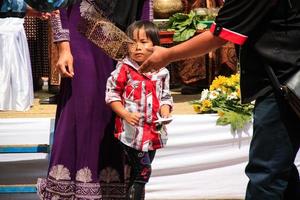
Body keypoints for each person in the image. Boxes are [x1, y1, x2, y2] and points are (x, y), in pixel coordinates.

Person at [139, 0, 300, 200]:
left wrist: (167, 55)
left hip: (283, 86)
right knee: (282, 169)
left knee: (267, 174)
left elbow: (219, 36)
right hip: (287, 80)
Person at [37, 1, 154, 199]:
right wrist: (63, 49)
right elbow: (57, 4)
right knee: (85, 105)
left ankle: (116, 190)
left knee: (115, 112)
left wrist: (144, 45)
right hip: (81, 32)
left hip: (124, 42)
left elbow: (145, 6)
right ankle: (75, 189)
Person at [105, 20, 173, 200]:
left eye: (143, 42)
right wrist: (125, 114)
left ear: (155, 46)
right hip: (131, 133)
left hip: (153, 132)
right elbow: (112, 95)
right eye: (133, 42)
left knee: (139, 175)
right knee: (144, 170)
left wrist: (165, 113)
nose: (137, 47)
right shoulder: (124, 69)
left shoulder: (162, 71)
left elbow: (165, 97)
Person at [0, 0, 51, 111]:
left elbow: (20, 6)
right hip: (3, 29)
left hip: (17, 28)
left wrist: (38, 13)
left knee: (18, 67)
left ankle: (17, 100)